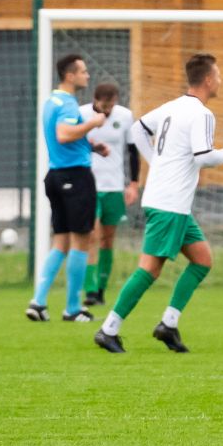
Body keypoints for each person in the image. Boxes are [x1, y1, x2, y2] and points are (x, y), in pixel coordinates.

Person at [94, 54, 223, 353]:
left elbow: (137, 130)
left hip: (172, 202)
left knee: (202, 261)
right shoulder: (201, 114)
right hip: (169, 203)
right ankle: (108, 329)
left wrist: (157, 164)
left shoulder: (173, 106)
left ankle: (168, 325)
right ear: (209, 80)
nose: (221, 81)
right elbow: (203, 156)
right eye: (219, 75)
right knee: (149, 269)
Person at [27, 55, 107, 323]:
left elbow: (63, 137)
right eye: (83, 71)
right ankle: (73, 308)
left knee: (60, 242)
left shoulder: (52, 101)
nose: (87, 75)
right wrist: (94, 123)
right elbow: (63, 134)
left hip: (56, 175)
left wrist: (91, 145)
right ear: (70, 76)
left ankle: (38, 302)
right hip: (75, 177)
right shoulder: (69, 105)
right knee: (82, 240)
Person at [80, 83, 140, 307]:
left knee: (107, 239)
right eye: (104, 105)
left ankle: (102, 289)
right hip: (89, 186)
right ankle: (90, 290)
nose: (108, 109)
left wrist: (133, 184)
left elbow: (132, 152)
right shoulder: (82, 114)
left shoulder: (125, 116)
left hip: (114, 187)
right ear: (95, 101)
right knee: (92, 237)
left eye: (111, 105)